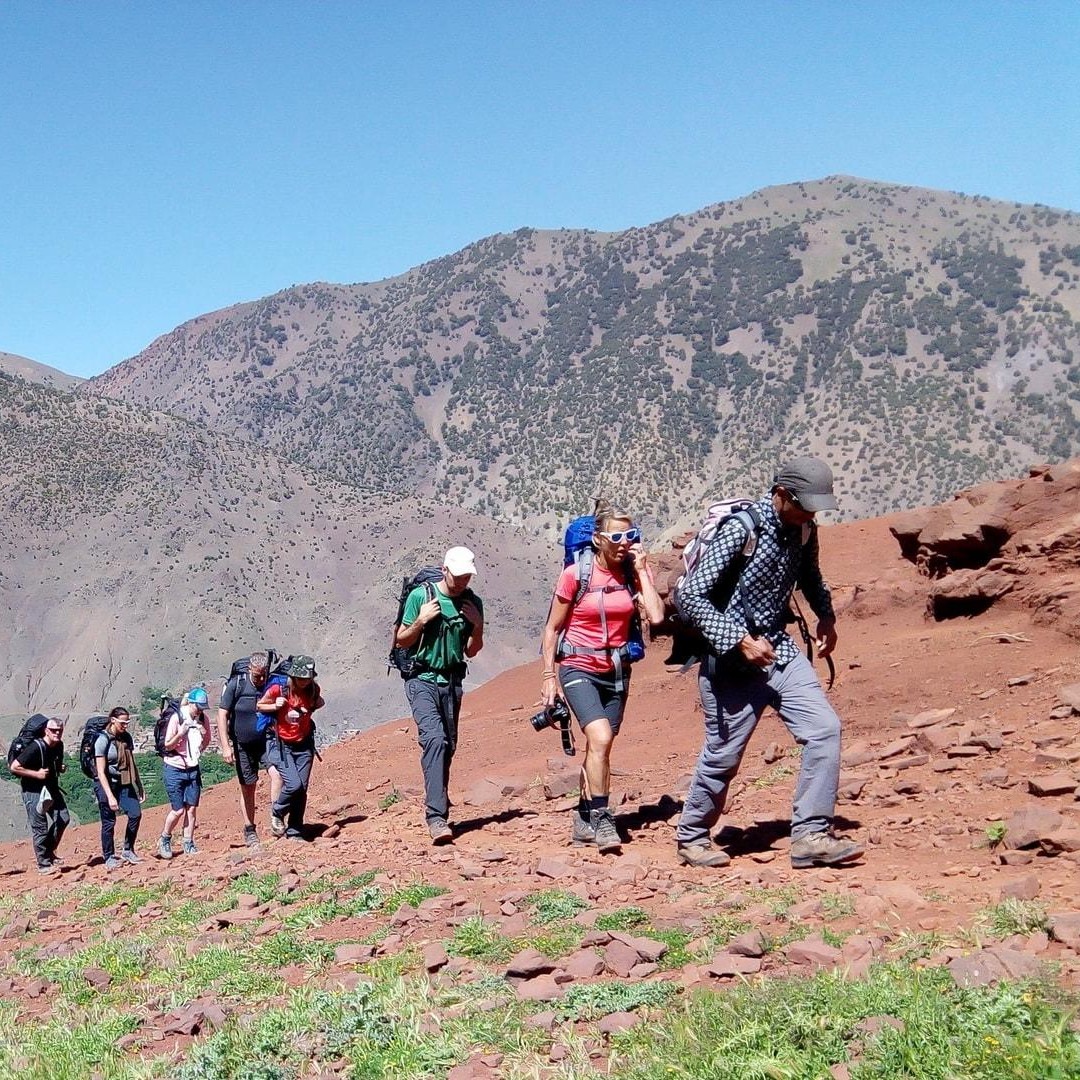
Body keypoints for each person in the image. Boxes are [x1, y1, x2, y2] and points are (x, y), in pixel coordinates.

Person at [675, 457, 865, 870]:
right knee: (723, 756)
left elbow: (810, 576)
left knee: (824, 729)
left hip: (780, 650)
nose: (811, 514)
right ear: (781, 494)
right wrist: (738, 640)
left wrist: (826, 616)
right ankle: (692, 836)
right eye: (805, 505)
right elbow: (691, 595)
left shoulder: (804, 529)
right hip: (731, 662)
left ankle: (811, 836)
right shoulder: (741, 529)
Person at [540, 505, 664, 853]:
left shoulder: (633, 572)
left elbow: (656, 616)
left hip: (617, 671)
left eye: (630, 535)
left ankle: (583, 818)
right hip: (578, 666)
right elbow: (552, 629)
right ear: (598, 539)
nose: (624, 543)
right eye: (616, 536)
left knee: (601, 746)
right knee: (600, 736)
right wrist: (549, 676)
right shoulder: (576, 574)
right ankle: (603, 819)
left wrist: (641, 571)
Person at [396, 546, 484, 844]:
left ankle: (439, 799)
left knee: (448, 746)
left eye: (466, 577)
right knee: (435, 739)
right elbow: (401, 640)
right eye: (458, 576)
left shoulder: (472, 603)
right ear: (445, 570)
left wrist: (478, 625)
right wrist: (421, 621)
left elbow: (472, 650)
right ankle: (436, 816)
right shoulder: (421, 597)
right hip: (421, 679)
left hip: (452, 681)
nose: (462, 582)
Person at [216, 652, 283, 849]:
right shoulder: (237, 685)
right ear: (249, 669)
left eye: (263, 675)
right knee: (248, 786)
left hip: (266, 741)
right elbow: (222, 714)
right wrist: (226, 746)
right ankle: (249, 829)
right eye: (257, 675)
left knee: (278, 775)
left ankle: (276, 819)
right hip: (242, 745)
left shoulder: (270, 683)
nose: (261, 679)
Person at [257, 656, 323, 840]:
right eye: (301, 678)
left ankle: (295, 830)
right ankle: (277, 811)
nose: (304, 681)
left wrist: (311, 708)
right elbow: (259, 705)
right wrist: (274, 705)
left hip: (304, 744)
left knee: (302, 789)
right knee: (294, 785)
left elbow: (318, 702)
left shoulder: (313, 690)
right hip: (281, 745)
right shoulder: (279, 689)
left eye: (307, 678)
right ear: (293, 676)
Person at [10, 717, 70, 873]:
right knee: (40, 827)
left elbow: (56, 763)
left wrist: (60, 767)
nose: (57, 733)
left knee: (63, 818)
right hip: (33, 790)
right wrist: (37, 774)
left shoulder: (59, 745)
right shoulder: (35, 747)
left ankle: (49, 852)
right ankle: (43, 864)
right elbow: (14, 767)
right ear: (46, 731)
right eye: (53, 730)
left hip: (51, 788)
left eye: (60, 730)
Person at [158, 689, 212, 859]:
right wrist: (180, 734)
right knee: (178, 810)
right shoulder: (177, 718)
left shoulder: (203, 719)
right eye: (198, 707)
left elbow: (207, 739)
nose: (200, 710)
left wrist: (199, 748)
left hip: (192, 768)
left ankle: (188, 842)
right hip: (174, 768)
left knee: (192, 808)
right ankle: (165, 837)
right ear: (191, 703)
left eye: (202, 707)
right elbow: (167, 745)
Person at [93, 707, 146, 870]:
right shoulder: (102, 740)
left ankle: (128, 850)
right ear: (113, 720)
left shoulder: (126, 738)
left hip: (124, 781)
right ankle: (109, 856)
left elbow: (131, 762)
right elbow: (100, 771)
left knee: (135, 814)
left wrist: (138, 784)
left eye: (127, 722)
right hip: (106, 783)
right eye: (123, 722)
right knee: (109, 821)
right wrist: (110, 796)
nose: (125, 725)